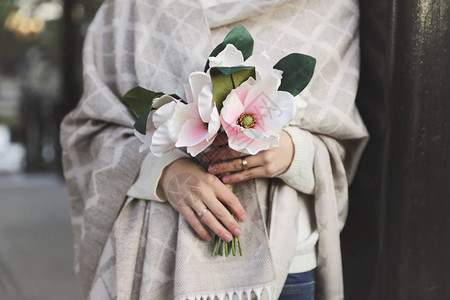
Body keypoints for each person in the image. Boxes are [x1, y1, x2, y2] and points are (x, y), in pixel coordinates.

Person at [60, 0, 368, 299]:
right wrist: (164, 172)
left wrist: (290, 153)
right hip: (153, 260)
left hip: (284, 269)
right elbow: (91, 132)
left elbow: (341, 142)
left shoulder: (328, 7)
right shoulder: (128, 10)